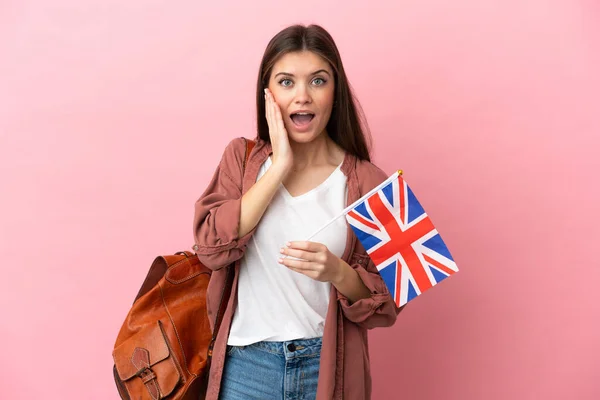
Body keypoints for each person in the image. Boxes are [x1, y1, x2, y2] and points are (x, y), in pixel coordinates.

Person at [193, 24, 404, 400]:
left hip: (326, 369)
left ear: (335, 92)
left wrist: (338, 272)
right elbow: (210, 249)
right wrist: (278, 167)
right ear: (268, 94)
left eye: (318, 81)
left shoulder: (369, 181)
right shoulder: (240, 160)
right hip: (245, 370)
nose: (302, 96)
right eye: (287, 82)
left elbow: (387, 304)